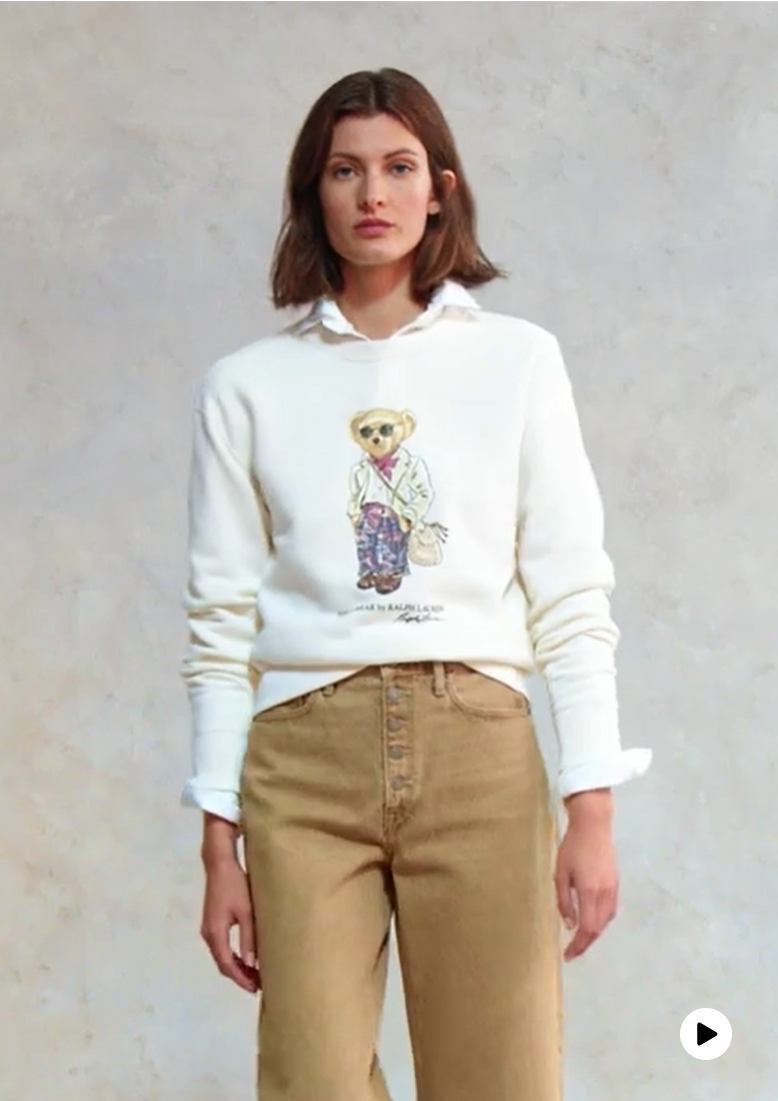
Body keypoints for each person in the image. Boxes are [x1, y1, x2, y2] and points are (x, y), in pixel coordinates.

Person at [179, 67, 652, 1101]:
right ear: (313, 193)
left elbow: (571, 596)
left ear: (440, 190)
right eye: (344, 171)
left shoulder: (517, 362)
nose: (372, 194)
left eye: (398, 167)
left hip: (476, 750)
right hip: (302, 761)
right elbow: (219, 626)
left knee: (499, 1079)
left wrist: (592, 810)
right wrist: (219, 847)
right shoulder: (246, 387)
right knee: (309, 1079)